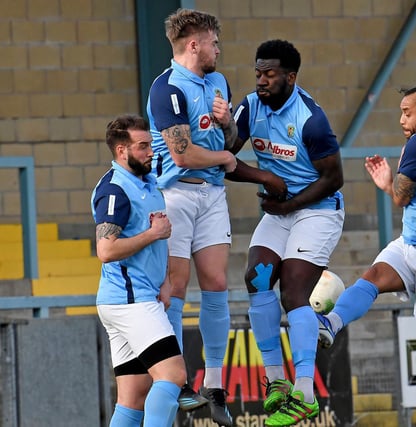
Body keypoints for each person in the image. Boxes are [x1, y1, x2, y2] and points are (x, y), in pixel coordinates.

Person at [316, 86, 416, 427]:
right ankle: (331, 323)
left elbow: (402, 197)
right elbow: (413, 197)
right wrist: (393, 183)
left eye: (408, 112)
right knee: (373, 276)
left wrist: (391, 183)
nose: (402, 119)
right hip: (412, 243)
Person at [228, 39, 345, 426]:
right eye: (258, 72)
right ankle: (276, 381)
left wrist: (290, 203)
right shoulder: (250, 106)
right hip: (279, 210)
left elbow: (333, 178)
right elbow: (227, 156)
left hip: (317, 211)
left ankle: (306, 393)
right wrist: (226, 127)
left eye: (270, 73)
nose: (261, 80)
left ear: (291, 77)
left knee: (293, 290)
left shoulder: (311, 120)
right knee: (256, 279)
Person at [146, 8, 238, 425]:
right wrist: (225, 156)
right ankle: (179, 381)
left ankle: (215, 385)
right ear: (194, 44)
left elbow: (232, 136)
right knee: (177, 285)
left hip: (213, 193)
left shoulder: (218, 82)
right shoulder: (166, 89)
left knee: (217, 282)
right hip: (176, 194)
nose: (219, 49)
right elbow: (181, 152)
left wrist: (228, 123)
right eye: (214, 42)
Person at [91, 114, 186, 427]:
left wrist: (167, 281)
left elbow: (158, 236)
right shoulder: (115, 190)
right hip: (131, 302)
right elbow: (105, 250)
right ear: (122, 151)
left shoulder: (146, 182)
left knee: (134, 395)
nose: (150, 151)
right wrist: (152, 234)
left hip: (134, 299)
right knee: (173, 375)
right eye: (143, 146)